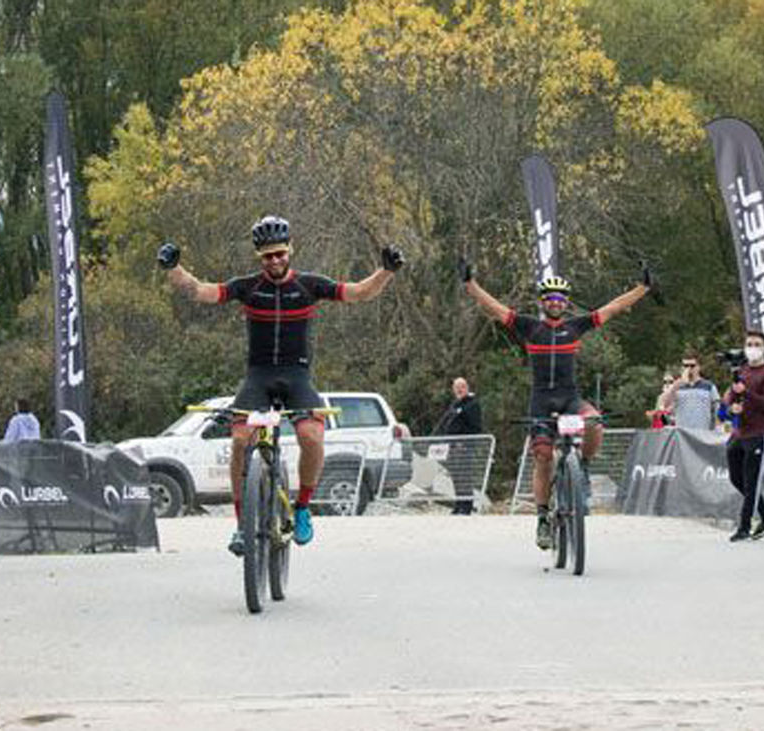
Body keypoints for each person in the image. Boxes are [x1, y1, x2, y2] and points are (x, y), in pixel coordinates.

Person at [157, 215, 404, 555]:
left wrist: (386, 271)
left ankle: (302, 508)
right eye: (267, 256)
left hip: (297, 376)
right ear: (259, 257)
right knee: (241, 440)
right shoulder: (248, 287)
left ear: (290, 250)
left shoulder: (308, 285)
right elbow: (201, 291)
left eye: (280, 254)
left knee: (311, 436)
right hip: (258, 376)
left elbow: (360, 293)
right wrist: (174, 269)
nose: (274, 261)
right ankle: (242, 525)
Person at [460, 257, 651, 548]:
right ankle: (542, 518)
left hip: (570, 399)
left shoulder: (576, 327)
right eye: (550, 298)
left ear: (566, 303)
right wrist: (470, 284)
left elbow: (612, 308)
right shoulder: (529, 328)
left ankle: (583, 466)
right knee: (543, 457)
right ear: (542, 302)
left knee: (594, 421)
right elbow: (495, 308)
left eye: (561, 299)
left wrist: (643, 288)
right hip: (541, 402)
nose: (556, 302)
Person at [723, 330, 764, 542]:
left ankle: (744, 527)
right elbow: (729, 398)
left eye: (757, 344)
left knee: (751, 480)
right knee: (736, 477)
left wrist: (745, 392)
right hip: (740, 432)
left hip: (759, 433)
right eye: (749, 343)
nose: (752, 347)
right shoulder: (742, 371)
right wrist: (732, 410)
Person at [433, 377, 484, 515]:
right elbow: (444, 423)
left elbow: (476, 427)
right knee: (456, 476)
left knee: (465, 476)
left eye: (462, 386)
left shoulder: (472, 404)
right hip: (452, 446)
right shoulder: (455, 405)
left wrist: (466, 443)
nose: (459, 389)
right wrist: (435, 438)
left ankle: (467, 505)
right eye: (456, 387)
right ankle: (459, 503)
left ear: (467, 388)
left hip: (465, 447)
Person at [663, 354, 720, 431]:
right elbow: (666, 405)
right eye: (685, 366)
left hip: (703, 434)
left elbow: (717, 411)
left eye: (692, 366)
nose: (689, 369)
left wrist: (716, 431)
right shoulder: (677, 387)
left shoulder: (709, 386)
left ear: (698, 367)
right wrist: (676, 386)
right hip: (683, 435)